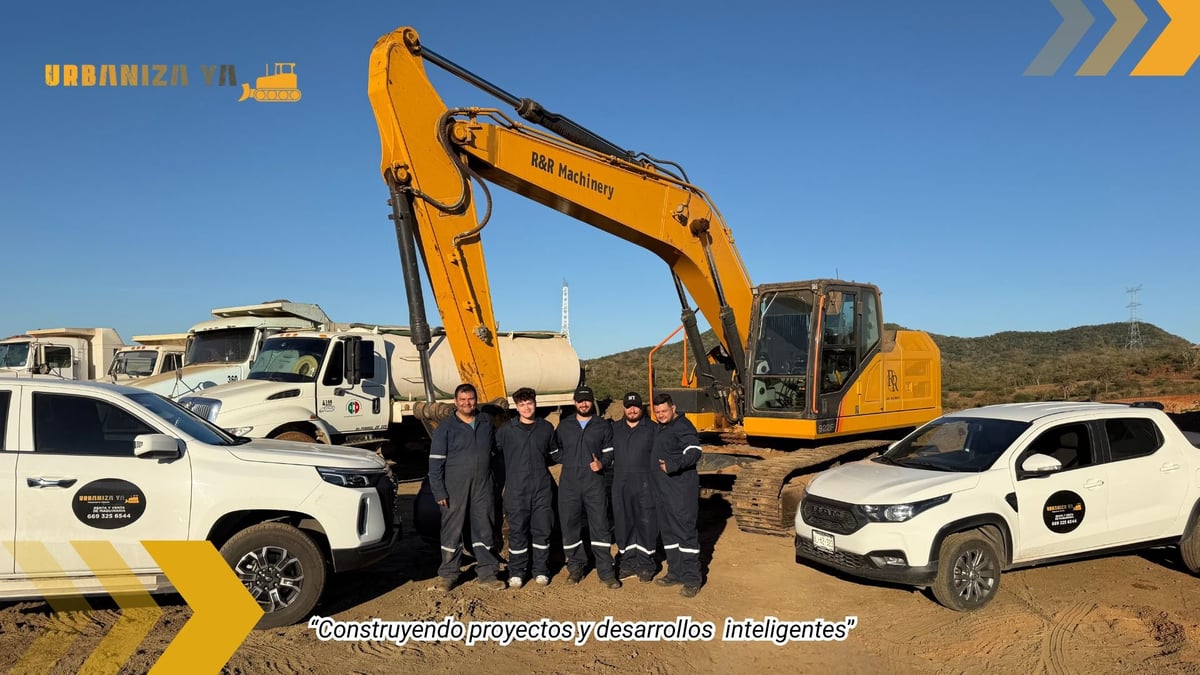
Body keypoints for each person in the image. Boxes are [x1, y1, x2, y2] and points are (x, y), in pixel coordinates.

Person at [428, 383, 505, 592]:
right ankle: (448, 574)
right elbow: (435, 463)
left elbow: (496, 452)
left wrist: (496, 483)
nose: (466, 403)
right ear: (455, 402)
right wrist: (439, 491)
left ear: (476, 400)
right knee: (452, 530)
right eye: (462, 400)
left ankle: (488, 573)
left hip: (483, 486)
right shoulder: (445, 428)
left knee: (484, 526)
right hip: (454, 487)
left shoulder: (485, 422)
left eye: (470, 399)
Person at [551, 385, 620, 589]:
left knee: (600, 525)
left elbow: (609, 452)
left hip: (594, 483)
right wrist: (568, 460)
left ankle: (606, 572)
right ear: (574, 403)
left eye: (587, 400)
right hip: (569, 484)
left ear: (592, 402)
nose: (584, 403)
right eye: (580, 400)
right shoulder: (564, 426)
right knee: (570, 526)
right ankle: (576, 568)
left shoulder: (602, 425)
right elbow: (555, 450)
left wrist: (602, 463)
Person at [494, 387, 556, 588]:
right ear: (516, 407)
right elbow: (493, 454)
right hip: (516, 490)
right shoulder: (506, 431)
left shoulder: (546, 428)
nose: (526, 407)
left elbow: (555, 454)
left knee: (542, 530)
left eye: (529, 403)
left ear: (535, 404)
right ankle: (517, 572)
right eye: (522, 404)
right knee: (517, 531)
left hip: (541, 489)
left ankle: (540, 570)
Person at [650, 392, 703, 597]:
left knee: (685, 534)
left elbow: (694, 451)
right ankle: (675, 572)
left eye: (664, 411)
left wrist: (673, 465)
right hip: (663, 493)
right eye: (657, 412)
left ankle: (692, 579)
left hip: (680, 492)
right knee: (669, 534)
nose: (661, 415)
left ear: (673, 408)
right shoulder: (661, 427)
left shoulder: (683, 426)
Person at [611, 391, 659, 583]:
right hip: (620, 484)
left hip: (646, 484)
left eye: (636, 406)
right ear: (624, 408)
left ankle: (646, 565)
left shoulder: (653, 429)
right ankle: (628, 563)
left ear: (642, 408)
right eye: (629, 406)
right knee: (624, 524)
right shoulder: (614, 429)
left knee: (646, 524)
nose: (632, 410)